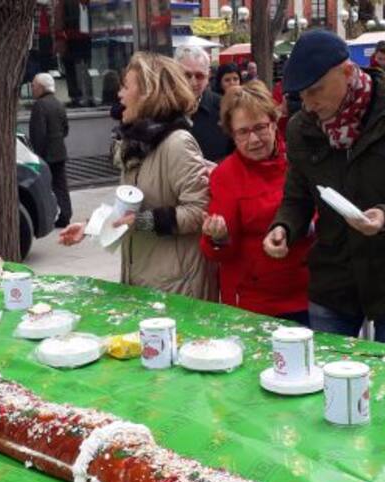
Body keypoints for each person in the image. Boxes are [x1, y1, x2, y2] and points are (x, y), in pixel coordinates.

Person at [264, 31, 385, 347]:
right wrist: (284, 227)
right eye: (301, 96)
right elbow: (297, 196)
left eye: (315, 91)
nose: (309, 104)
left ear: (346, 72)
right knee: (329, 378)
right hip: (334, 278)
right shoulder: (303, 128)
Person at [60, 52, 216, 300]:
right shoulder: (137, 144)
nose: (119, 94)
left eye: (125, 86)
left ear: (148, 93)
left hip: (176, 286)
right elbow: (128, 208)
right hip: (143, 277)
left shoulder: (177, 143)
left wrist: (144, 221)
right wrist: (92, 226)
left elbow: (200, 211)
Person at [200, 81, 313, 324]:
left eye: (260, 127)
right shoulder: (225, 175)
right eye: (242, 132)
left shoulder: (300, 161)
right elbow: (218, 252)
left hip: (306, 294)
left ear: (274, 123)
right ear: (231, 133)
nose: (253, 140)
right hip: (252, 301)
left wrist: (301, 225)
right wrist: (217, 237)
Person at [175, 45, 234, 162]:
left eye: (199, 76)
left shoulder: (224, 107)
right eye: (186, 75)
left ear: (208, 75)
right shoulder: (163, 108)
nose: (192, 82)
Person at [29, 73, 72, 227]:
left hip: (47, 154)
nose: (32, 88)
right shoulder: (58, 103)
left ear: (41, 87)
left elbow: (38, 134)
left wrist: (37, 155)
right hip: (59, 151)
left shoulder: (40, 105)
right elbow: (66, 129)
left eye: (33, 85)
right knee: (61, 185)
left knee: (48, 186)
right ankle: (65, 215)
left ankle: (54, 216)